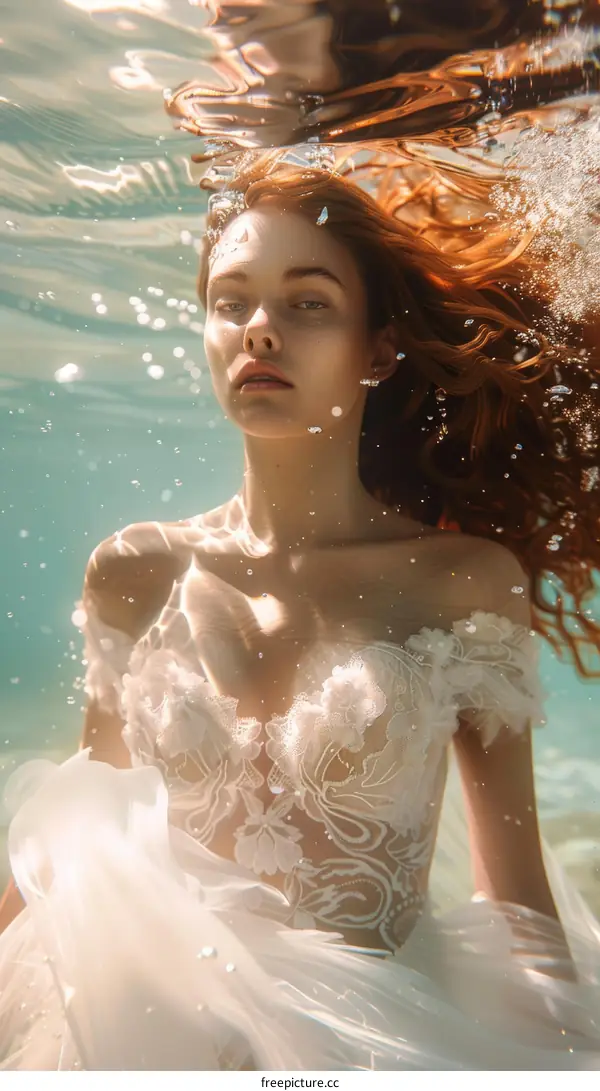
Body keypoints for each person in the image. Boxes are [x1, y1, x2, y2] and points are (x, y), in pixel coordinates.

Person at [1, 150, 600, 1071]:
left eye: (306, 301)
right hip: (134, 1036)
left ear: (379, 351)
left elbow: (516, 898)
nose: (260, 330)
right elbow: (82, 837)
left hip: (372, 1051)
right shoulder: (133, 570)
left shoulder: (465, 581)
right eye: (231, 300)